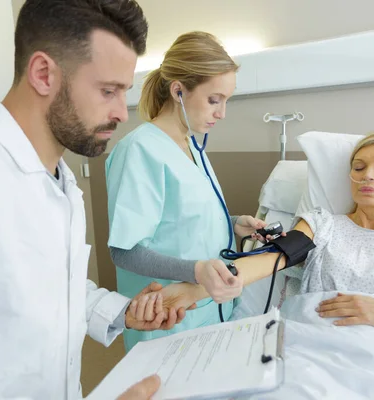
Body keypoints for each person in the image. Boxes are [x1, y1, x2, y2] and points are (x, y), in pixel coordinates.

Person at [0, 1, 191, 399]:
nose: (121, 112)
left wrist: (122, 311)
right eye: (108, 91)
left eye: (124, 92)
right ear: (44, 74)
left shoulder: (61, 186)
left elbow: (50, 291)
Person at [156, 132, 374, 374]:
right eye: (359, 167)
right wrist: (195, 290)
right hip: (318, 362)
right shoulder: (323, 226)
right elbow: (273, 258)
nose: (368, 175)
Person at [105, 31, 268, 350]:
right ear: (178, 91)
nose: (222, 113)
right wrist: (195, 271)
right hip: (167, 323)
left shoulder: (193, 147)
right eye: (214, 100)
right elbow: (125, 249)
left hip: (211, 311)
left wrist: (233, 222)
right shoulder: (139, 150)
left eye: (226, 101)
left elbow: (182, 220)